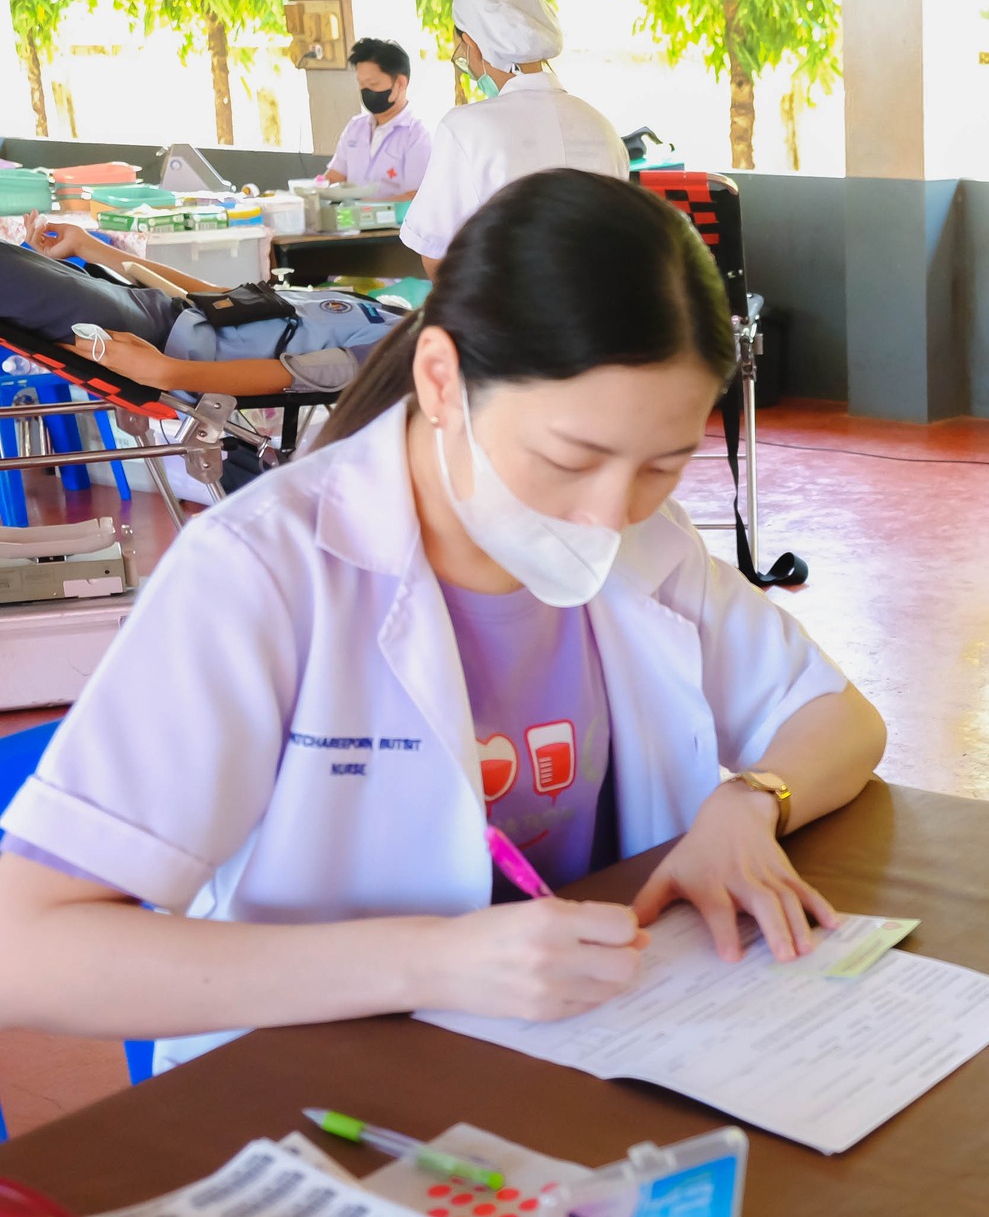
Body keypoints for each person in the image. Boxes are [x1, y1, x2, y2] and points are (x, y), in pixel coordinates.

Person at [0, 170, 888, 1070]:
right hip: (320, 1089)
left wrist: (749, 803)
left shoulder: (645, 546)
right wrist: (432, 958)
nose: (609, 512)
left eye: (663, 464)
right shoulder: (262, 573)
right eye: (568, 457)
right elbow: (27, 950)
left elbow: (837, 718)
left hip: (584, 1050)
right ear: (440, 378)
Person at [400, 0, 628, 275]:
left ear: (472, 45)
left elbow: (436, 254)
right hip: (594, 316)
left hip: (500, 317)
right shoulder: (601, 126)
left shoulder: (466, 128)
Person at [5, 220, 395, 395]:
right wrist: (90, 247)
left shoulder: (398, 350)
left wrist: (168, 371)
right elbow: (219, 294)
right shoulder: (382, 311)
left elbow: (286, 375)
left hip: (152, 338)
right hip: (163, 308)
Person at [320, 38, 433, 201]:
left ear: (400, 83)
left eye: (373, 84)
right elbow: (335, 177)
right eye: (362, 85)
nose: (366, 91)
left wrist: (365, 208)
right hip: (351, 223)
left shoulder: (417, 135)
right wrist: (313, 192)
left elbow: (416, 196)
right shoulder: (355, 127)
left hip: (395, 225)